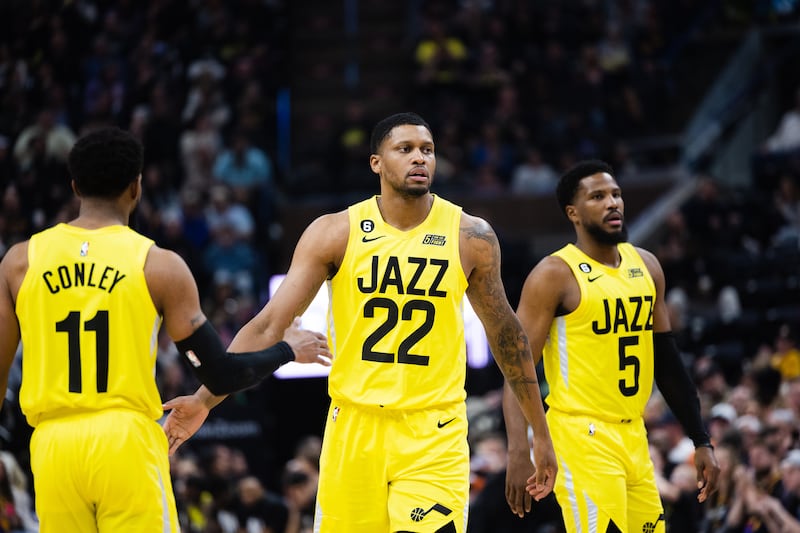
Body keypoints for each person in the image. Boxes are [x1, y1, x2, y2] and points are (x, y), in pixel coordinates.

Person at [162, 112, 557, 532]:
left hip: (432, 429)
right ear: (376, 163)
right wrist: (203, 399)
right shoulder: (335, 232)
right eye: (405, 150)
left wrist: (534, 435)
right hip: (353, 427)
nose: (419, 158)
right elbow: (267, 324)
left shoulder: (471, 236)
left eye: (427, 150)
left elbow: (508, 338)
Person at [0, 127, 332, 533]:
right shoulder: (157, 264)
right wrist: (286, 350)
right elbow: (221, 372)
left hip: (51, 446)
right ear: (136, 187)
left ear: (74, 187)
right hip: (123, 439)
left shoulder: (19, 263)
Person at [502, 159, 720, 532]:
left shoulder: (647, 266)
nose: (612, 203)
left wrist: (701, 439)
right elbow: (516, 371)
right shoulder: (554, 274)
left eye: (616, 194)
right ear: (573, 212)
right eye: (598, 196)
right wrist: (521, 449)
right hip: (580, 435)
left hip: (634, 434)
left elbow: (667, 361)